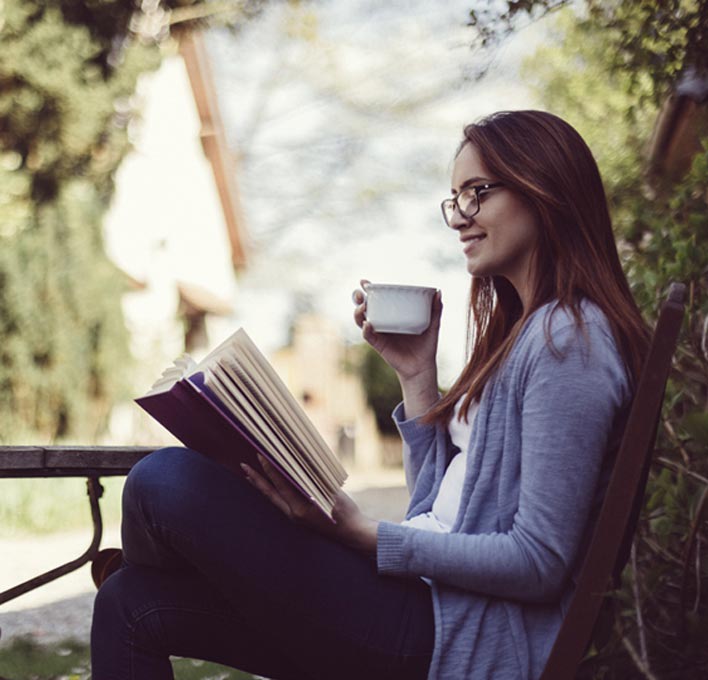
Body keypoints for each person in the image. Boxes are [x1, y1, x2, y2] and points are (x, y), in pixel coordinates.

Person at [91, 110, 650, 680]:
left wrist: (363, 535)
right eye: (455, 199)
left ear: (545, 187)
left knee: (164, 482)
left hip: (449, 634)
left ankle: (191, 565)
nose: (460, 217)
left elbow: (539, 562)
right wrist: (416, 374)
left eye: (477, 193)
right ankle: (182, 569)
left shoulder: (568, 342)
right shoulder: (523, 335)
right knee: (130, 604)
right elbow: (434, 510)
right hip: (420, 605)